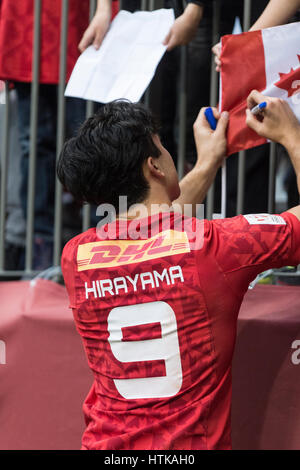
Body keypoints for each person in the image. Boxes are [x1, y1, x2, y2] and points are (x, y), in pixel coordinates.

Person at [58, 92, 300, 450]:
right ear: (155, 165)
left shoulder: (75, 258)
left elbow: (150, 226)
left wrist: (207, 163)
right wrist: (291, 134)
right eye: (162, 145)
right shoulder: (215, 246)